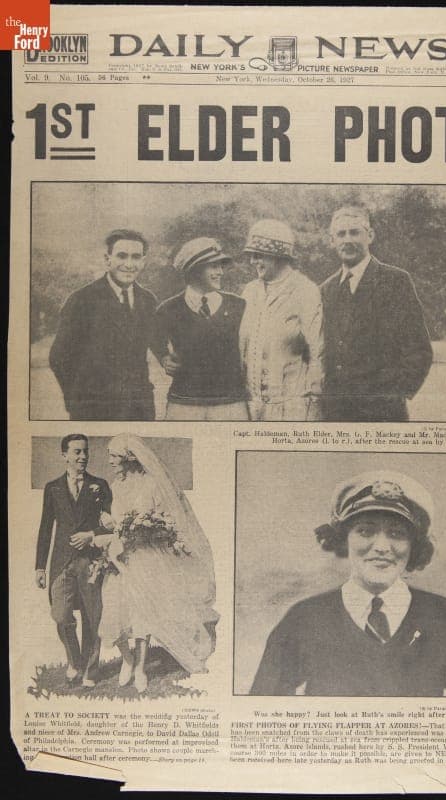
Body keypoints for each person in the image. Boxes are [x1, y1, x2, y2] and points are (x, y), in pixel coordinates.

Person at [250, 470, 446, 697]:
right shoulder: (304, 618)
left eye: (397, 534)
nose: (381, 548)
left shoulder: (445, 616)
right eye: (366, 531)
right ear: (344, 539)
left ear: (414, 546)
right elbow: (259, 711)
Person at [96, 434, 218, 693]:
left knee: (143, 612)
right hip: (119, 556)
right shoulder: (114, 487)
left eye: (114, 456)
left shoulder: (152, 485)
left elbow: (165, 519)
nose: (110, 462)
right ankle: (127, 661)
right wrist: (108, 525)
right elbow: (113, 521)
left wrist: (138, 528)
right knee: (114, 609)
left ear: (129, 458)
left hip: (145, 558)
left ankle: (140, 667)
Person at [321, 206, 433, 422]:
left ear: (370, 236)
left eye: (355, 232)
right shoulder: (326, 290)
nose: (347, 240)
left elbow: (419, 351)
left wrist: (391, 395)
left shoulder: (395, 282)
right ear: (331, 240)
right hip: (335, 415)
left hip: (383, 414)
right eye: (341, 234)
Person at [49, 229, 157, 420]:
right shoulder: (82, 300)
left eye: (136, 257)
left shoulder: (147, 300)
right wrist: (77, 401)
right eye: (121, 256)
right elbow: (59, 357)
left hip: (139, 408)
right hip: (94, 409)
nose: (129, 264)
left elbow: (151, 347)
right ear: (108, 259)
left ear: (143, 261)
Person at [35, 434, 112, 687]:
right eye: (77, 452)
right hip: (60, 562)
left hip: (91, 562)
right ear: (64, 455)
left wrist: (91, 536)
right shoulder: (53, 487)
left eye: (85, 451)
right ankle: (74, 661)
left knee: (92, 616)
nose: (83, 457)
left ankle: (90, 669)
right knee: (60, 615)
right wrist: (39, 566)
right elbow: (46, 527)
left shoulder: (100, 485)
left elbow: (112, 527)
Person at [154, 237, 248, 421]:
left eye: (221, 266)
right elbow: (153, 337)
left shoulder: (238, 306)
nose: (220, 272)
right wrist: (163, 357)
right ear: (194, 270)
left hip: (230, 405)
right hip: (184, 404)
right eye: (213, 266)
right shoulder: (168, 309)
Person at [239, 219, 324, 421]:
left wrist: (313, 403)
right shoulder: (250, 291)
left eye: (259, 255)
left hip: (293, 408)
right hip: (252, 406)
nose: (253, 261)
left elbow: (318, 352)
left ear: (278, 256)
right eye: (252, 255)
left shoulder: (305, 290)